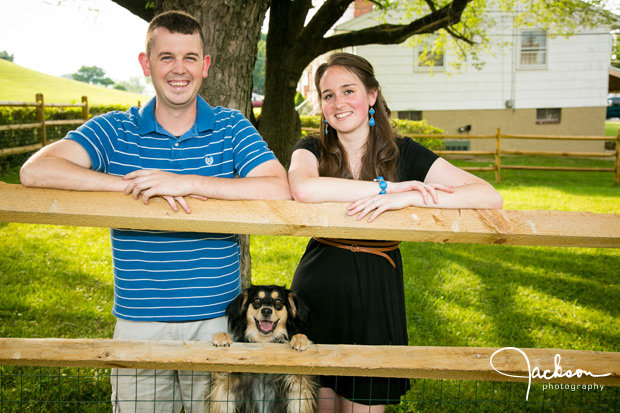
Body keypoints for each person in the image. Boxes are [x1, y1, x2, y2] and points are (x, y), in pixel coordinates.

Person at [19, 10, 291, 413]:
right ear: (146, 64)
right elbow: (35, 170)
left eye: (189, 58)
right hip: (138, 322)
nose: (179, 69)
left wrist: (188, 182)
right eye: (166, 57)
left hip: (215, 322)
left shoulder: (233, 127)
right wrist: (131, 184)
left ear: (205, 66)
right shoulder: (115, 129)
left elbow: (279, 188)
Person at [288, 52, 503, 412]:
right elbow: (305, 190)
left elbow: (488, 195)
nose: (338, 103)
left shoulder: (404, 153)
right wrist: (392, 189)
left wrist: (414, 200)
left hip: (377, 289)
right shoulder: (311, 148)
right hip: (319, 287)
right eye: (328, 95)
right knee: (319, 404)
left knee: (366, 402)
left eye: (348, 90)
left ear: (372, 95)